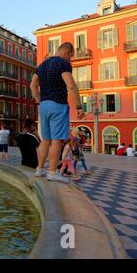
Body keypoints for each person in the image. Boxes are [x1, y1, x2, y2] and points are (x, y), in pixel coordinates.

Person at [30, 42, 85, 183]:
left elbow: (33, 85)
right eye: (71, 56)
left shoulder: (42, 65)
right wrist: (79, 107)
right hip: (58, 105)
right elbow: (71, 86)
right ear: (66, 52)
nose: (70, 59)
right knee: (57, 139)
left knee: (45, 139)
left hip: (43, 105)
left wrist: (39, 100)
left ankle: (39, 169)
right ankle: (52, 172)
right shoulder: (63, 64)